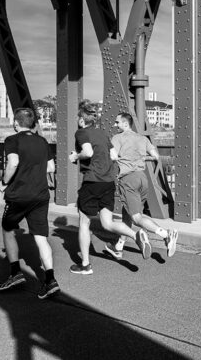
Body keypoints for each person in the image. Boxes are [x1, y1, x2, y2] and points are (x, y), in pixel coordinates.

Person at [69, 100, 151, 274]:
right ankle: (136, 235)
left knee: (84, 222)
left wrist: (76, 156)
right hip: (108, 183)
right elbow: (114, 156)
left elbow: (88, 152)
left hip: (92, 182)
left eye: (78, 119)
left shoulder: (81, 133)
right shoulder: (103, 134)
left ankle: (85, 265)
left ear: (82, 121)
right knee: (107, 223)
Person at [0, 108, 59, 300]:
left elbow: (13, 163)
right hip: (40, 195)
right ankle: (50, 280)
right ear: (32, 124)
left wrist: (4, 183)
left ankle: (15, 273)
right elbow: (51, 167)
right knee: (41, 237)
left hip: (19, 195)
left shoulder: (12, 140)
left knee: (8, 229)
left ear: (16, 123)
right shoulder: (42, 141)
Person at [106, 112, 177, 260]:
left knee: (137, 217)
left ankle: (166, 235)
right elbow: (156, 156)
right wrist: (141, 157)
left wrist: (118, 159)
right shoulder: (142, 138)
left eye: (117, 122)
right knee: (129, 213)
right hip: (142, 179)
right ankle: (119, 246)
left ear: (126, 124)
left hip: (128, 179)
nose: (115, 125)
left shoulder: (117, 138)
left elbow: (113, 157)